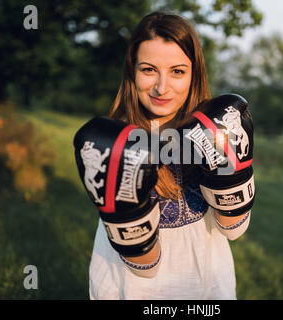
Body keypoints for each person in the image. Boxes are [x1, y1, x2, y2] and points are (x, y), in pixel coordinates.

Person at [74, 11, 255, 300]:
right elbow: (145, 267)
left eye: (177, 71)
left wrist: (231, 168)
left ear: (194, 74)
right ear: (132, 72)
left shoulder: (216, 128)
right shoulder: (113, 144)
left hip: (207, 287)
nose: (162, 87)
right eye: (148, 70)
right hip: (132, 288)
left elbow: (234, 229)